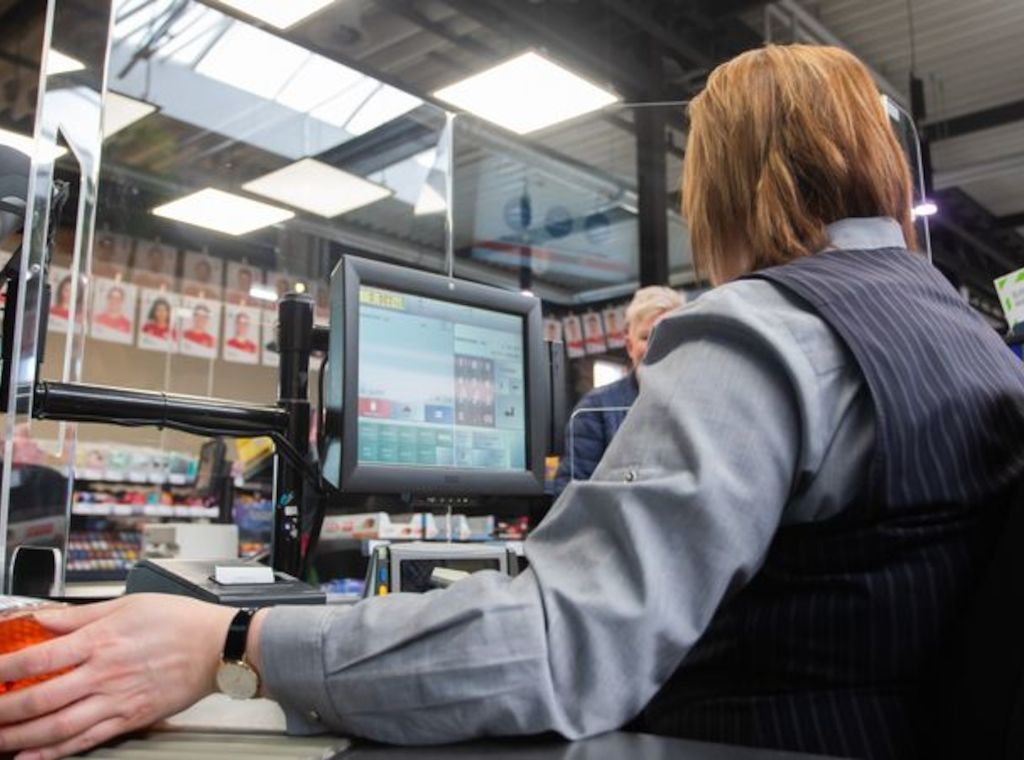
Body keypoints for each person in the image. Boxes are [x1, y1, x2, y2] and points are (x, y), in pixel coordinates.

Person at [3, 44, 1024, 760]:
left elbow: (559, 647)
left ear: (718, 185)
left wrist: (233, 645)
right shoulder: (973, 341)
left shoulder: (763, 330)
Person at [552, 286, 684, 495]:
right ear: (629, 345)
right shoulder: (595, 410)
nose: (656, 345)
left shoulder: (699, 407)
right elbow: (567, 498)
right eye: (645, 337)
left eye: (667, 336)